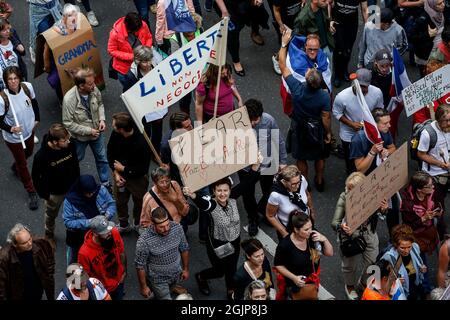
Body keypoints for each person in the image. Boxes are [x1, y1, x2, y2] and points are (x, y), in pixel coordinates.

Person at [183, 158, 262, 299]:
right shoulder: (211, 205)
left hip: (235, 240)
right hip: (218, 244)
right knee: (220, 271)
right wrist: (192, 194)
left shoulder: (232, 197)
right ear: (214, 191)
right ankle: (201, 277)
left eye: (225, 190)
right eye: (219, 190)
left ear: (230, 190)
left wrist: (256, 165)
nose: (222, 194)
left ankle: (230, 290)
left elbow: (246, 183)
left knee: (231, 268)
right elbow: (202, 203)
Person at [279, 29, 331, 190]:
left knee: (301, 158)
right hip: (317, 129)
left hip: (299, 127)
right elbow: (326, 117)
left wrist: (283, 44)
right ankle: (320, 180)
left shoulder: (297, 89)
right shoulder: (324, 96)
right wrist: (328, 133)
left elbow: (282, 65)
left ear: (306, 80)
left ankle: (305, 184)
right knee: (320, 157)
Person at [331, 172, 387, 300]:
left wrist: (384, 209)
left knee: (372, 262)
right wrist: (341, 227)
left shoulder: (373, 194)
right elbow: (334, 222)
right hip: (350, 236)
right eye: (349, 189)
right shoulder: (344, 197)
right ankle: (349, 286)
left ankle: (363, 282)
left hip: (369, 233)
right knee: (349, 265)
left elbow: (381, 214)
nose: (351, 192)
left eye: (354, 189)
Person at [238, 98, 288, 237]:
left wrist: (282, 161)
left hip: (267, 164)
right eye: (251, 119)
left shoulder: (268, 120)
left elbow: (278, 140)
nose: (255, 122)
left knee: (269, 191)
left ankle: (266, 212)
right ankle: (253, 218)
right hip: (246, 168)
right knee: (248, 195)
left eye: (257, 119)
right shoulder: (237, 125)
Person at [62, 67, 111, 189]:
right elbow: (67, 123)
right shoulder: (69, 100)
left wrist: (102, 119)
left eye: (93, 82)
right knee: (76, 159)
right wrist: (88, 131)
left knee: (102, 158)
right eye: (90, 84)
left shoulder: (94, 90)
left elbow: (100, 104)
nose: (94, 85)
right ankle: (73, 183)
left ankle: (105, 183)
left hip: (97, 134)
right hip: (79, 138)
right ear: (81, 86)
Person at [0, 66, 40, 210]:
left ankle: (15, 166)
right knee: (23, 164)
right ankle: (31, 191)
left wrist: (37, 119)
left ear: (19, 78)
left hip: (29, 130)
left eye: (15, 78)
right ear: (6, 81)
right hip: (14, 138)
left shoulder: (27, 87)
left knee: (28, 152)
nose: (13, 81)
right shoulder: (2, 99)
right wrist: (11, 128)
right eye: (10, 79)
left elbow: (34, 103)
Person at [32, 123, 80, 239]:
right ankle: (49, 234)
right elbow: (35, 177)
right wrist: (45, 195)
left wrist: (78, 182)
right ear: (54, 142)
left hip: (72, 188)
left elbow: (75, 163)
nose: (68, 142)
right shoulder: (41, 156)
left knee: (76, 212)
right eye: (65, 140)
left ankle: (76, 232)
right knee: (51, 215)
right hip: (54, 193)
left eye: (68, 138)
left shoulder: (70, 145)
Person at [333, 68, 384, 174]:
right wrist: (351, 124)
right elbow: (337, 113)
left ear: (369, 84)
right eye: (358, 85)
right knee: (351, 165)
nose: (360, 89)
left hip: (369, 135)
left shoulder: (377, 93)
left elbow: (379, 111)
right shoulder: (341, 97)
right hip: (349, 136)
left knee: (369, 161)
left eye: (364, 86)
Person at [107, 112, 151, 233]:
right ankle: (123, 224)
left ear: (122, 129)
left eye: (114, 125)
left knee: (139, 201)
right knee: (120, 201)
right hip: (120, 176)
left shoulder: (142, 141)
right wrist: (116, 172)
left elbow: (143, 168)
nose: (112, 127)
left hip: (138, 179)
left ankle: (138, 223)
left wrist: (124, 169)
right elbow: (110, 153)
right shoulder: (116, 134)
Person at [274, 213, 333, 299]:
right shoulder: (285, 245)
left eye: (311, 227)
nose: (310, 231)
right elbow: (278, 265)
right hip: (295, 285)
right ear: (296, 230)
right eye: (306, 229)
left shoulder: (313, 235)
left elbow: (329, 253)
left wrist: (324, 239)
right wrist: (294, 278)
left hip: (312, 280)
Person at [135, 207, 190, 300]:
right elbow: (140, 265)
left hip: (176, 274)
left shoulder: (177, 228)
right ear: (153, 224)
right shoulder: (144, 241)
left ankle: (171, 289)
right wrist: (143, 287)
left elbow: (184, 248)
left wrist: (185, 269)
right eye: (161, 227)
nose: (166, 229)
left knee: (171, 288)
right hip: (158, 280)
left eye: (167, 224)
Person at [400, 171, 441, 294]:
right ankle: (425, 290)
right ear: (419, 190)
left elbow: (439, 204)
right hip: (416, 238)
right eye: (429, 186)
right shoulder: (407, 204)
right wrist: (423, 218)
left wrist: (438, 212)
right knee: (421, 264)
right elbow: (409, 226)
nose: (433, 187)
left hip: (430, 233)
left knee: (434, 258)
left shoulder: (432, 193)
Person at [120, 45, 164, 153]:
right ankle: (147, 151)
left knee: (158, 131)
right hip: (143, 109)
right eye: (144, 62)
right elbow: (127, 95)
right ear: (138, 61)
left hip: (157, 104)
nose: (148, 64)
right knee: (146, 132)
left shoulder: (156, 66)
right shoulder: (131, 76)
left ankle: (156, 151)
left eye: (149, 60)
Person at [63, 175, 116, 264]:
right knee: (75, 259)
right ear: (81, 190)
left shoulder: (100, 190)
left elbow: (111, 204)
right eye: (88, 193)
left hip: (100, 230)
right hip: (79, 235)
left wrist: (106, 216)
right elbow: (68, 222)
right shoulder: (70, 201)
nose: (91, 195)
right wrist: (90, 222)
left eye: (93, 192)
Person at [417, 103, 450, 234]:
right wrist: (441, 164)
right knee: (439, 206)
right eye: (446, 121)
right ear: (438, 119)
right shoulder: (428, 134)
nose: (449, 123)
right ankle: (443, 236)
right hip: (436, 176)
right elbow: (421, 154)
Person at [213, 0, 269, 76]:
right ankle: (236, 61)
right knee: (233, 32)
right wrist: (224, 11)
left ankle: (255, 31)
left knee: (259, 15)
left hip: (248, 3)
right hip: (229, 6)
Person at [0, 223, 55, 300]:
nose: (30, 243)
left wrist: (49, 275)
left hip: (37, 290)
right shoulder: (4, 259)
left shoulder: (41, 244)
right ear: (15, 244)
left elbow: (50, 262)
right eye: (24, 243)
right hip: (19, 295)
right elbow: (2, 288)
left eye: (30, 238)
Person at [78, 215, 126, 300]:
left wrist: (123, 273)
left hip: (119, 283)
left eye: (109, 229)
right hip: (102, 292)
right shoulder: (84, 253)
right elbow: (85, 278)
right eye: (105, 232)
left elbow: (121, 253)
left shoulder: (114, 232)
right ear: (96, 234)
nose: (109, 233)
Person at [42, 3, 81, 102]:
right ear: (63, 17)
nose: (73, 17)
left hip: (75, 57)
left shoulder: (79, 24)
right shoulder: (56, 30)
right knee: (61, 81)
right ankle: (62, 101)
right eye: (69, 15)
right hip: (60, 62)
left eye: (75, 14)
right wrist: (47, 66)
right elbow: (46, 48)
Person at [266, 165, 315, 240]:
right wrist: (285, 234)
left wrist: (312, 211)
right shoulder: (275, 195)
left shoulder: (301, 180)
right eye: (293, 184)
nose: (297, 186)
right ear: (284, 181)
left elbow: (307, 195)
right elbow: (270, 216)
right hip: (289, 228)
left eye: (298, 182)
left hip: (305, 223)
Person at [381, 224, 428, 300]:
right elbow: (381, 281)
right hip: (402, 292)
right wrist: (395, 282)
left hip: (414, 283)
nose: (406, 251)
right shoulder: (388, 257)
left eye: (409, 247)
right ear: (395, 245)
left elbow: (417, 263)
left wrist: (421, 268)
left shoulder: (415, 247)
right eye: (402, 248)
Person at [108, 12, 153, 89]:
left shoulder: (142, 25)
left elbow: (149, 37)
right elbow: (111, 50)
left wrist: (145, 51)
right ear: (128, 28)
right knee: (131, 88)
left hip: (142, 61)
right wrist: (132, 56)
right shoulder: (115, 34)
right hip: (125, 68)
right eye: (135, 31)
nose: (137, 32)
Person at [140, 167, 190, 232]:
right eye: (161, 182)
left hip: (181, 226)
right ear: (155, 183)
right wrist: (162, 229)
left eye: (167, 181)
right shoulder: (149, 198)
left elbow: (185, 212)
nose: (165, 184)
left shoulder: (174, 185)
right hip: (164, 233)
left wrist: (175, 200)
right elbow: (145, 223)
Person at [331, 0, 368, 87]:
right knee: (339, 48)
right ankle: (337, 74)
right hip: (338, 22)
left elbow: (364, 8)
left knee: (348, 49)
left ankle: (344, 70)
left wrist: (367, 25)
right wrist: (330, 20)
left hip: (352, 23)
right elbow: (329, 3)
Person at [350, 108, 396, 175]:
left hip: (381, 170)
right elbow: (360, 170)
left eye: (389, 122)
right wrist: (372, 152)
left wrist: (387, 152)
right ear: (373, 125)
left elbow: (393, 148)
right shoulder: (358, 140)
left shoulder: (384, 130)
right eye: (385, 123)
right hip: (367, 176)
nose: (389, 125)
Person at [410, 0, 446, 77]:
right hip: (426, 56)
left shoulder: (440, 13)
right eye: (439, 4)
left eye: (443, 1)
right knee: (426, 80)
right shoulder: (422, 19)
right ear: (432, 5)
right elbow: (412, 38)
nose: (443, 5)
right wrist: (428, 35)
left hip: (440, 53)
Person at [293, 0, 336, 65]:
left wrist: (329, 25)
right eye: (324, 0)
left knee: (328, 70)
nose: (327, 2)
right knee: (317, 74)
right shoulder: (302, 18)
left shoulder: (323, 7)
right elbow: (298, 41)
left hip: (327, 47)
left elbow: (325, 21)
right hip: (315, 54)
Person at [271, 0, 303, 75]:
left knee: (296, 41)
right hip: (286, 24)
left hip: (297, 20)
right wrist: (281, 25)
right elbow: (276, 10)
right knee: (287, 43)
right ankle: (276, 59)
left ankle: (291, 59)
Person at [28, 0, 62, 64]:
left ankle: (56, 53)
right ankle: (33, 49)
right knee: (45, 34)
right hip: (38, 9)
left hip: (53, 4)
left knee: (60, 30)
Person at [0, 18, 26, 90]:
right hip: (6, 80)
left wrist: (11, 37)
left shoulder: (12, 36)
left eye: (8, 28)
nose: (7, 31)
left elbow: (22, 51)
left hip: (19, 74)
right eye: (4, 30)